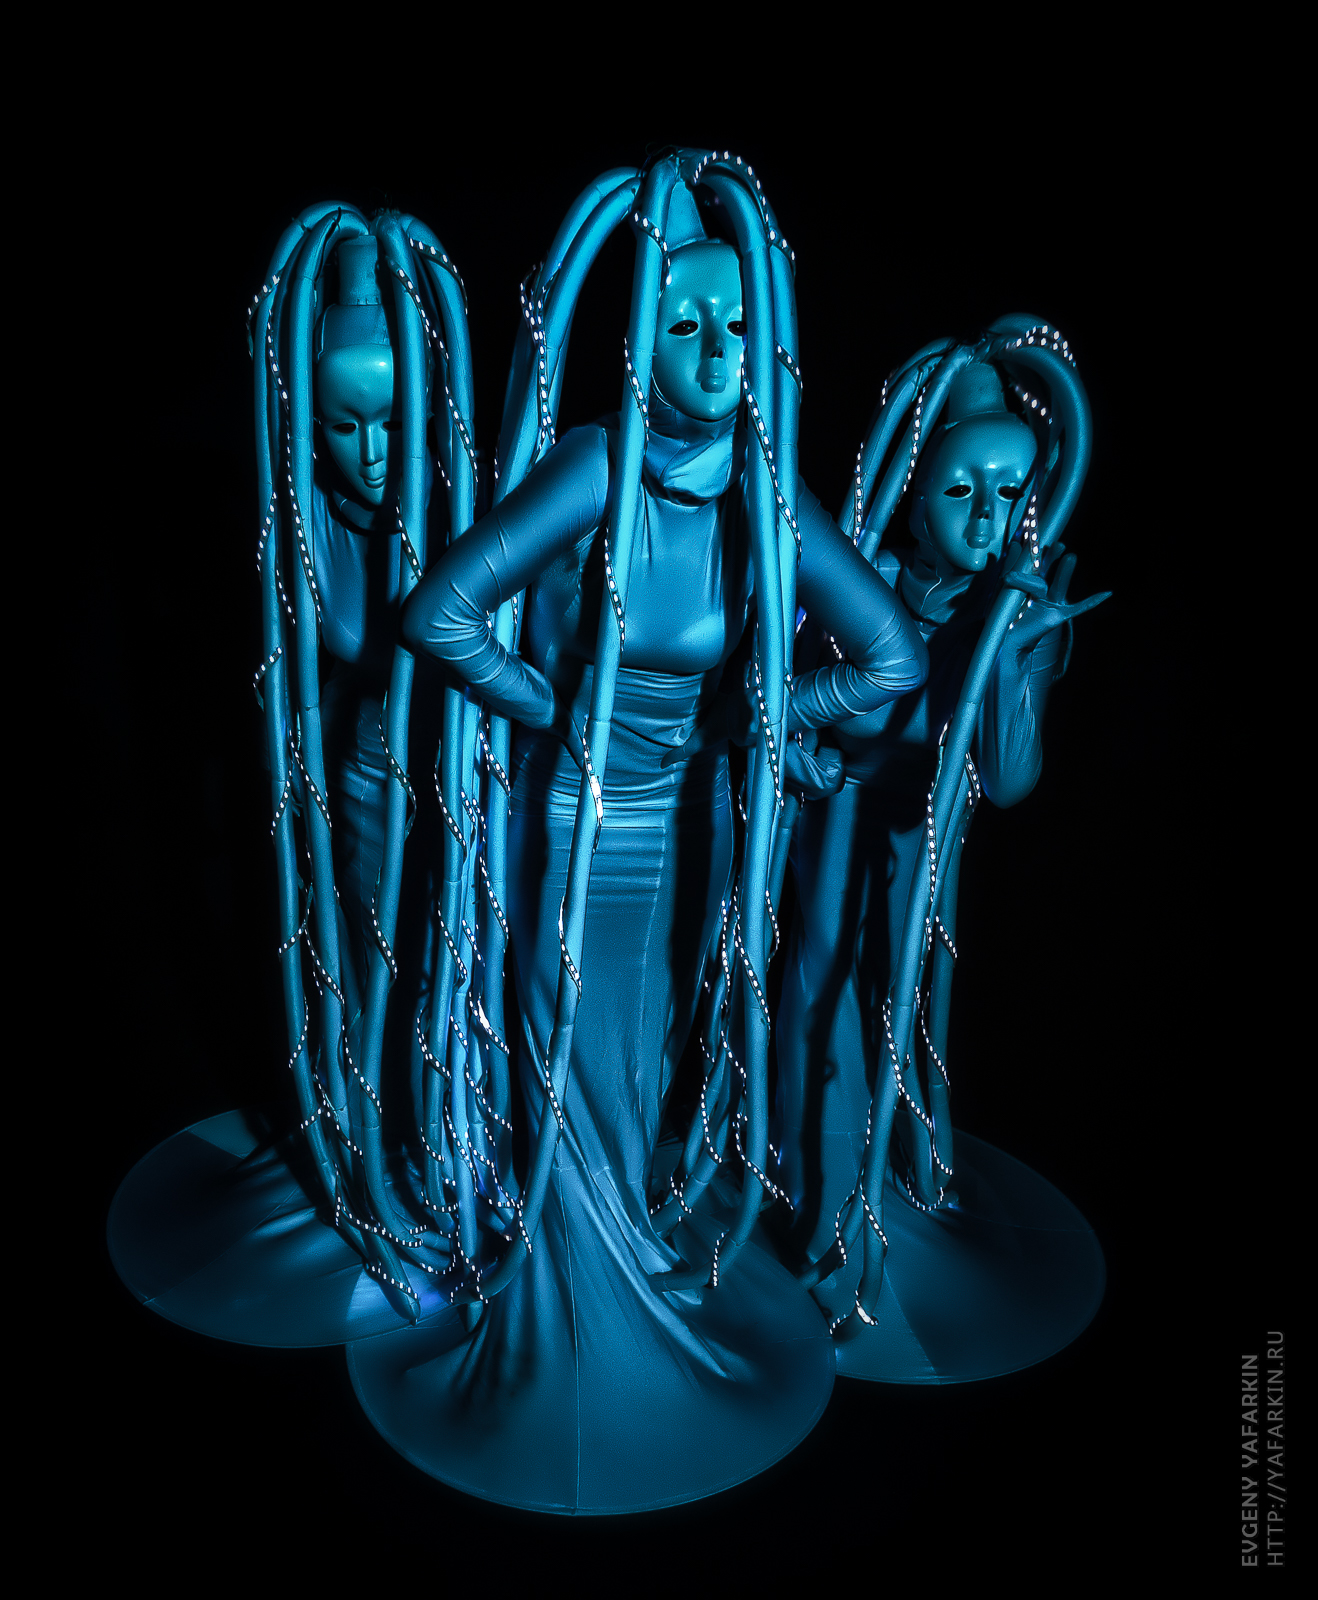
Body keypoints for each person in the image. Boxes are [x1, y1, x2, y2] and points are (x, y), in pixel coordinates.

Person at [347, 173, 928, 1512]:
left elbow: (891, 656)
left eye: (736, 326)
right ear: (634, 339)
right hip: (573, 824)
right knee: (567, 1051)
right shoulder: (595, 464)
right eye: (683, 324)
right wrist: (554, 709)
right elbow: (441, 612)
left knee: (646, 1050)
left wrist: (764, 718)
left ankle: (612, 1291)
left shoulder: (765, 496)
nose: (716, 353)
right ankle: (569, 1317)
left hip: (688, 829)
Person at [775, 354, 1107, 1380]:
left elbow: (1008, 780)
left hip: (928, 832)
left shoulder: (1016, 611)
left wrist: (1013, 653)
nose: (984, 515)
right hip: (839, 815)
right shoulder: (860, 572)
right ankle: (814, 1201)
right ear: (915, 495)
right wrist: (803, 756)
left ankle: (900, 1180)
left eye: (1008, 493)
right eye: (960, 490)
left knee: (904, 1002)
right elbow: (786, 696)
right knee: (817, 990)